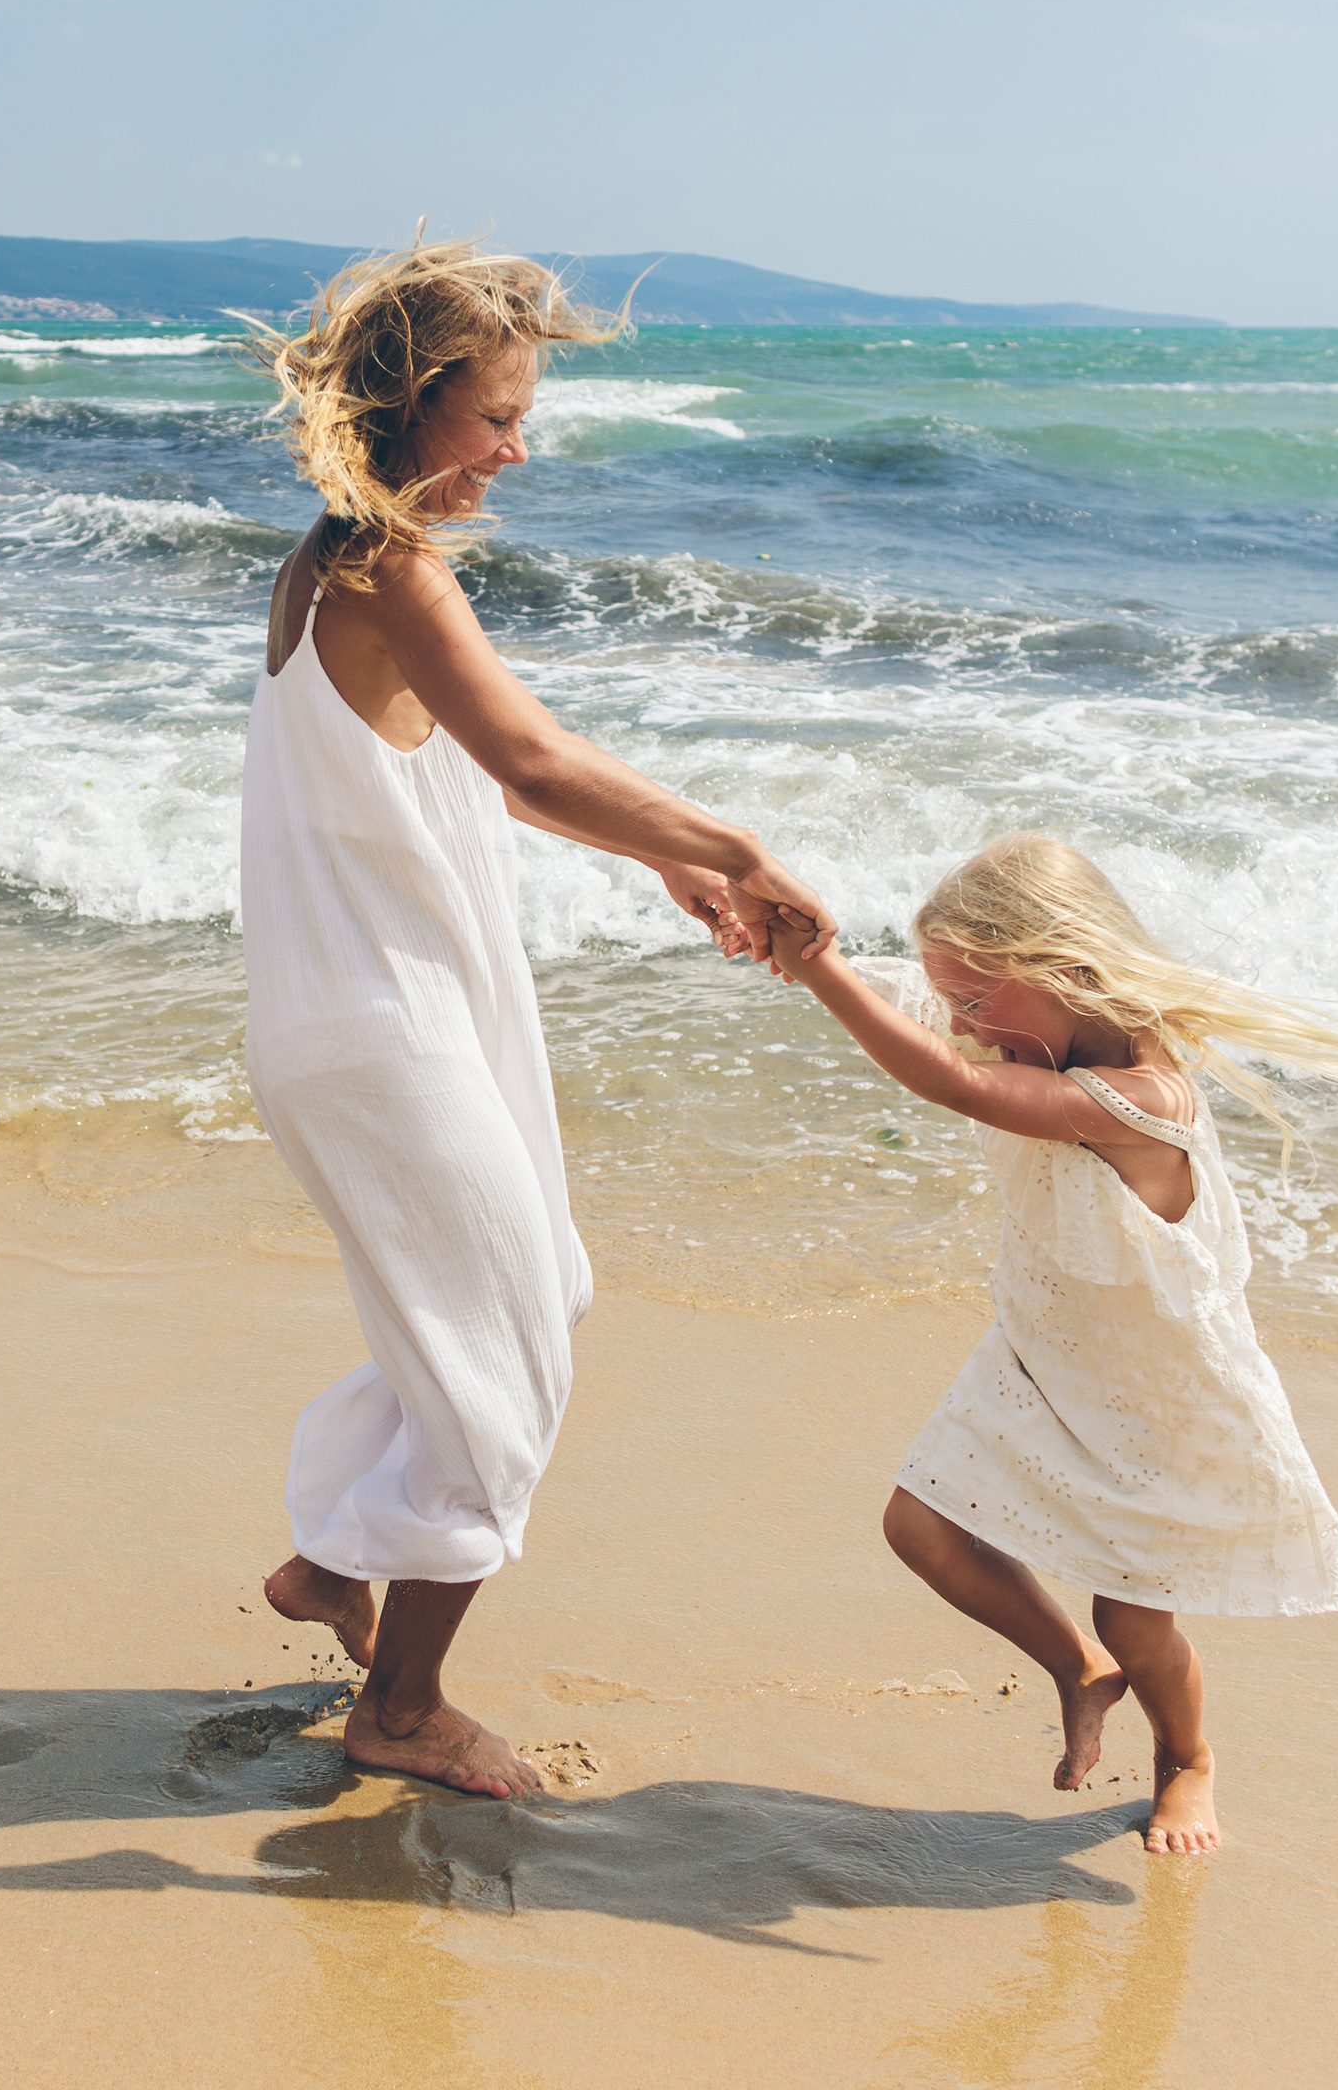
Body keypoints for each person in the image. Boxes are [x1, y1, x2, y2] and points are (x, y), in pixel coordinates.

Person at [240, 235, 832, 1802]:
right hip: (383, 1029)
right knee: (506, 1362)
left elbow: (458, 779)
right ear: (418, 406)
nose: (518, 448)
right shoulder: (389, 567)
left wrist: (666, 871)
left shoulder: (324, 561)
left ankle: (330, 1562)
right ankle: (404, 1709)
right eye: (497, 416)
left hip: (375, 1015)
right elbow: (533, 760)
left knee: (533, 1294)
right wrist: (737, 851)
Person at [760, 833, 1338, 1853]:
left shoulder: (1143, 1097)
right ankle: (1076, 1667)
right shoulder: (1023, 1033)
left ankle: (1188, 1758)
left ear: (1070, 974)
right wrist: (787, 935)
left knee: (1137, 1617)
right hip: (1041, 1347)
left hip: (1156, 1391)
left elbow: (962, 1089)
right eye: (954, 1000)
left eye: (978, 1002)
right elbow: (931, 1020)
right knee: (923, 1529)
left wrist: (818, 973)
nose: (960, 1024)